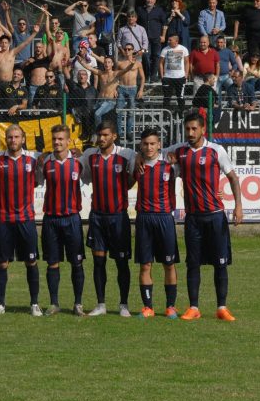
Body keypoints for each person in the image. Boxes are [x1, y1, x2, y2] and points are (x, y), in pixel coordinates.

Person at [165, 112, 243, 321]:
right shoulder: (179, 151)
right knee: (193, 263)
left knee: (220, 263)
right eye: (187, 129)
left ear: (202, 130)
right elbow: (151, 152)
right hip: (193, 219)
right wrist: (138, 156)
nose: (190, 133)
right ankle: (193, 307)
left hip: (215, 217)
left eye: (194, 129)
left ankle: (222, 307)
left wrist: (238, 206)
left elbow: (233, 178)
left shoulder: (216, 151)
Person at [79, 120, 136, 317]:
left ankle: (123, 305)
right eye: (99, 135)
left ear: (114, 136)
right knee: (98, 262)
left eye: (105, 135)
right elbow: (83, 174)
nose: (101, 139)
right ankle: (101, 304)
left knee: (121, 263)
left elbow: (134, 176)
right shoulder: (90, 156)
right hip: (97, 217)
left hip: (118, 217)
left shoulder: (126, 155)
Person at [0, 125, 41, 316]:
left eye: (17, 137)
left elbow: (40, 177)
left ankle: (34, 303)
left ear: (23, 139)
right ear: (5, 139)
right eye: (10, 137)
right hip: (4, 220)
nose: (13, 140)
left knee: (31, 262)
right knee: (1, 263)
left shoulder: (34, 158)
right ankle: (0, 304)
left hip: (26, 219)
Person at [130, 128, 179, 319]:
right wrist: (136, 157)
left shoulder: (170, 165)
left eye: (153, 143)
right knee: (145, 265)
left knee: (169, 264)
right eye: (145, 144)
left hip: (164, 218)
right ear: (140, 146)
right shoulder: (136, 165)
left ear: (159, 144)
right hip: (144, 219)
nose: (149, 147)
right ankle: (148, 307)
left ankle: (171, 307)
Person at [36, 124, 86, 315]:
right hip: (51, 220)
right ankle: (54, 303)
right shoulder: (45, 162)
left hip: (72, 218)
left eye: (61, 139)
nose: (57, 142)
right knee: (52, 263)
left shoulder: (80, 161)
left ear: (68, 140)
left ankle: (78, 304)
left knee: (77, 262)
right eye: (54, 139)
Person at [233, 0, 260, 90]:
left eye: (257, 1)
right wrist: (235, 34)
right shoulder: (248, 11)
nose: (255, 2)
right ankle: (251, 79)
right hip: (252, 38)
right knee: (253, 57)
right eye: (254, 0)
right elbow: (237, 21)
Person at [115, 43, 146, 141]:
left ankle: (129, 132)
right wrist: (115, 88)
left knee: (131, 113)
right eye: (126, 49)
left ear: (133, 50)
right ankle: (119, 133)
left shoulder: (137, 63)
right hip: (121, 88)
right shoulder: (120, 63)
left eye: (129, 49)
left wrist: (141, 90)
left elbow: (142, 77)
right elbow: (115, 76)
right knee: (119, 112)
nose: (127, 51)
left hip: (132, 89)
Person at [136, 0, 167, 81]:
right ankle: (147, 75)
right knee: (145, 55)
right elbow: (136, 23)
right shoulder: (140, 10)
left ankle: (153, 76)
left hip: (156, 38)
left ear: (155, 0)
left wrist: (163, 36)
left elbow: (165, 24)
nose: (150, 1)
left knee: (156, 56)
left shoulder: (159, 10)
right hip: (144, 39)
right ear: (146, 0)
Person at [159, 34, 190, 115]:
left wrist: (186, 75)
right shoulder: (165, 49)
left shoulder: (183, 49)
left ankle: (181, 115)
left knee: (180, 97)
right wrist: (162, 76)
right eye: (168, 40)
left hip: (180, 77)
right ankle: (165, 116)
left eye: (170, 40)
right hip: (167, 78)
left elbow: (187, 62)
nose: (168, 42)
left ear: (176, 41)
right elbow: (161, 63)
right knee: (166, 98)